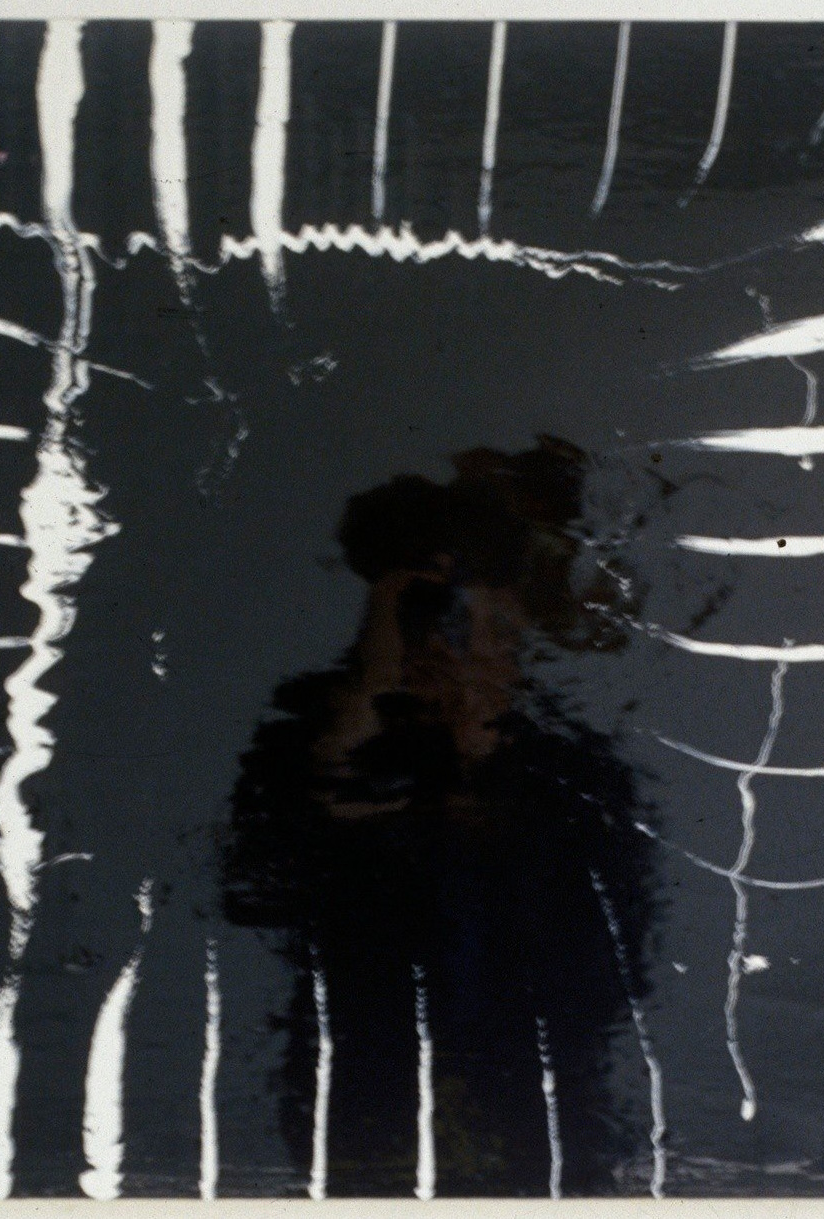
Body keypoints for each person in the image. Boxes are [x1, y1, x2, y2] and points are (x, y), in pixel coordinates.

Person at [223, 435, 659, 1196]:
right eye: (435, 621)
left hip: (540, 1128)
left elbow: (609, 977)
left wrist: (483, 759)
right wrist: (366, 698)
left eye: (497, 631)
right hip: (361, 1123)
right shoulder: (312, 737)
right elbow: (254, 898)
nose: (466, 652)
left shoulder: (575, 771)